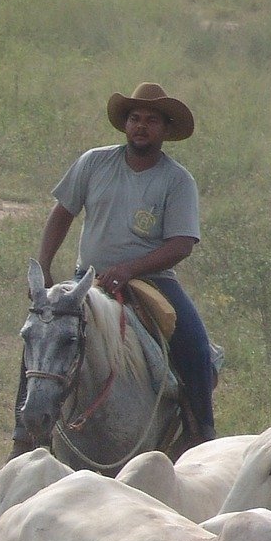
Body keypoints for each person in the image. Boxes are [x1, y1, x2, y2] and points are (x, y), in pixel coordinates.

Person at [36, 82, 215, 446]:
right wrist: (43, 265)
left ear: (165, 129)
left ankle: (201, 434)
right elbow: (62, 213)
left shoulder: (177, 181)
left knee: (196, 348)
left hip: (153, 281)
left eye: (151, 120)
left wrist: (130, 269)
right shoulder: (93, 162)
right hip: (87, 280)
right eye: (135, 118)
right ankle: (25, 435)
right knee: (42, 339)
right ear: (125, 124)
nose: (141, 126)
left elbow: (182, 244)